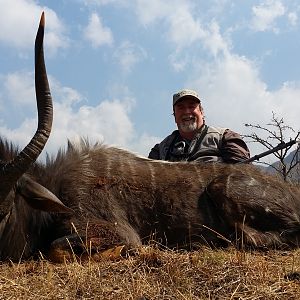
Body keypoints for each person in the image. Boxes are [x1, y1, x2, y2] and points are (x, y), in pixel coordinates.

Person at [148, 89, 250, 163]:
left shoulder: (226, 137)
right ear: (174, 116)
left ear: (201, 112)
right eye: (181, 108)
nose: (187, 112)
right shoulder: (159, 150)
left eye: (191, 106)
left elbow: (243, 175)